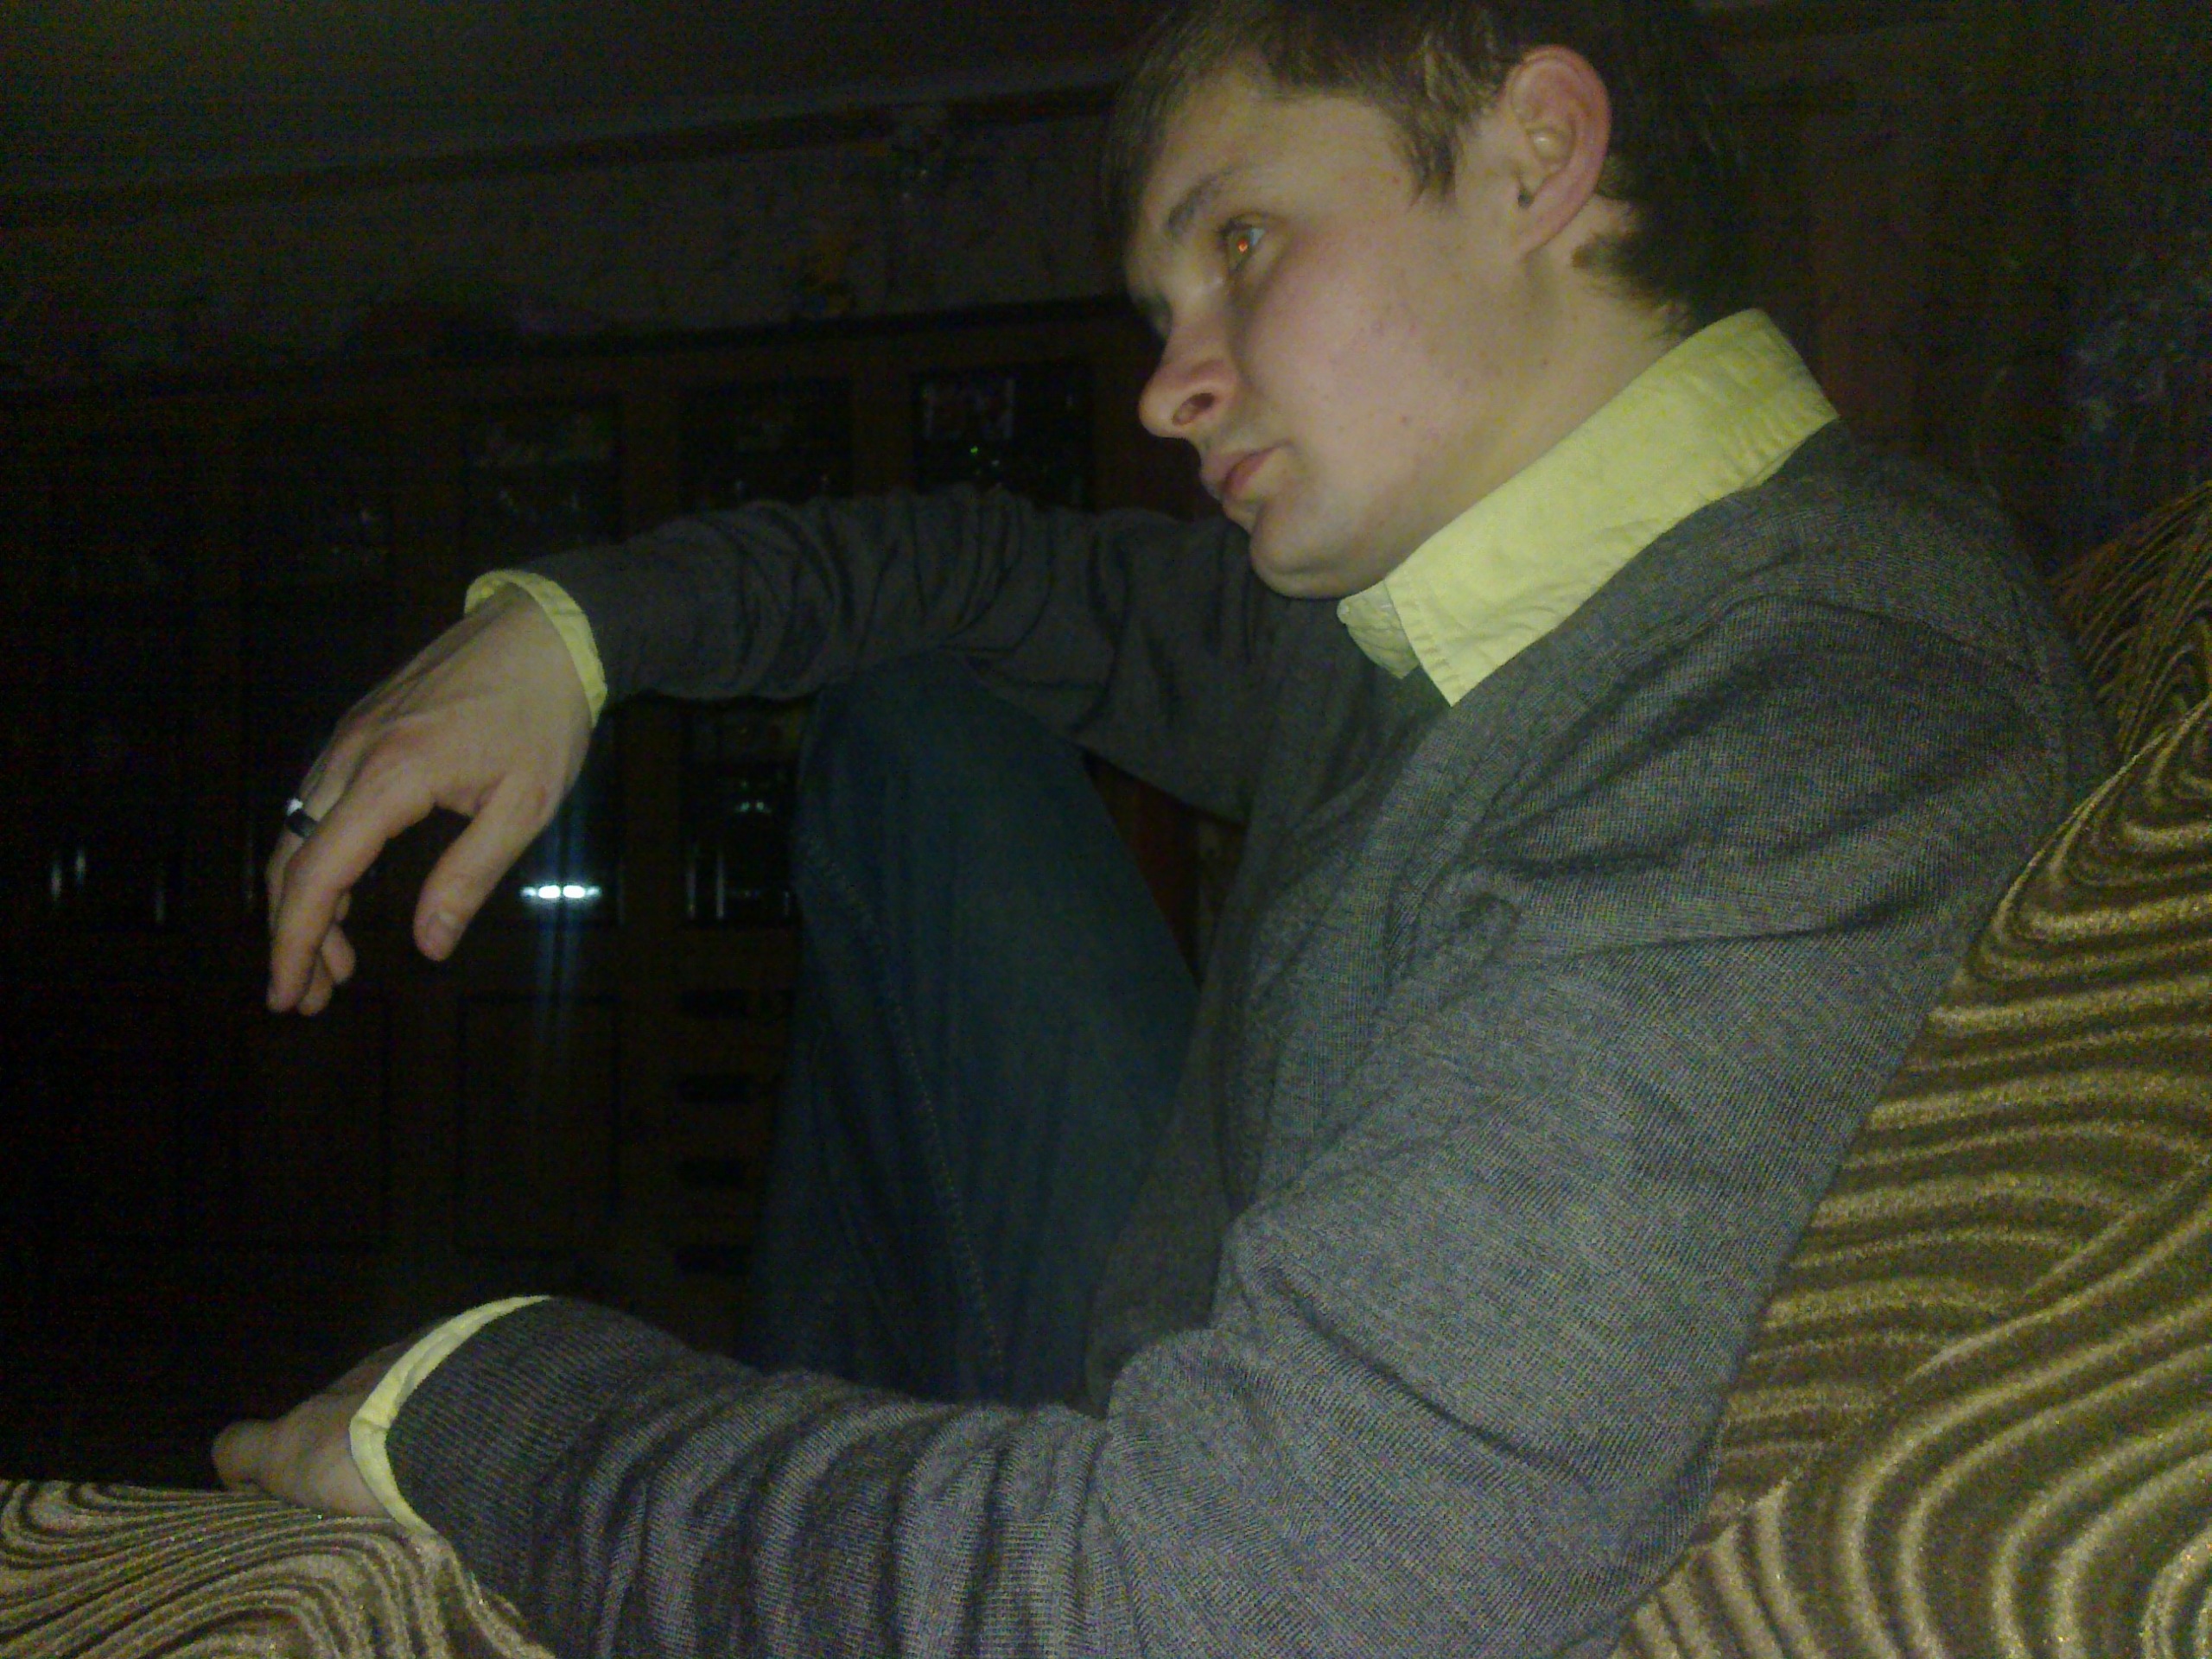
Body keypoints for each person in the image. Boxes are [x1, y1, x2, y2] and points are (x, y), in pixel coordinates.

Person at [213, 2, 2108, 1654]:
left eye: (1243, 242)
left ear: (1535, 153)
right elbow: (962, 573)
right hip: (1178, 1374)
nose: (1166, 381)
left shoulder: (1817, 708)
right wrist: (574, 631)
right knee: (915, 722)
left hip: (1207, 1516)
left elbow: (1266, 1597)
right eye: (1163, 305)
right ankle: (800, 1457)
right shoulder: (1405, 632)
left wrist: (488, 1402)